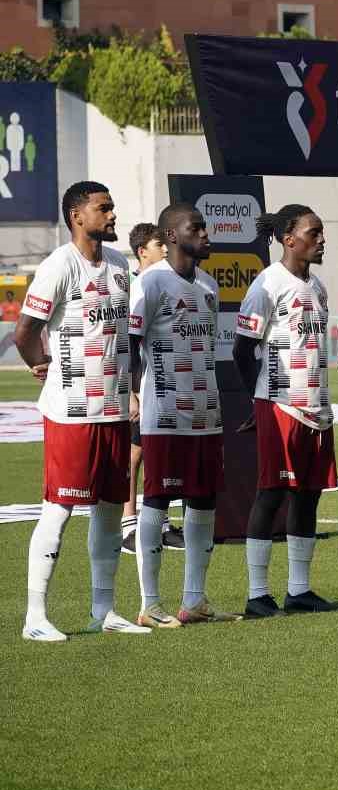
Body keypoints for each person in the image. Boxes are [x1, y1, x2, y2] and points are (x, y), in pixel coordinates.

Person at [16, 181, 146, 641]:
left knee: (111, 509)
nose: (112, 215)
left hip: (112, 407)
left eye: (112, 207)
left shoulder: (118, 265)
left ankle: (104, 610)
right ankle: (35, 617)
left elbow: (124, 339)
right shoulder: (58, 265)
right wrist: (40, 364)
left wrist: (130, 392)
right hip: (71, 410)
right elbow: (25, 330)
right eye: (103, 208)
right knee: (60, 508)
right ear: (77, 216)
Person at [233, 204, 338, 618]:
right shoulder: (267, 285)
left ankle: (299, 591)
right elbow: (242, 349)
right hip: (280, 406)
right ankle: (257, 594)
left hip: (317, 407)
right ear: (288, 239)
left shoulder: (320, 287)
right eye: (314, 233)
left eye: (322, 232)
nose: (321, 240)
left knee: (308, 496)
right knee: (271, 494)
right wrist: (255, 400)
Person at [126, 203, 230, 627]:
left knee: (204, 500)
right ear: (172, 236)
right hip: (164, 412)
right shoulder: (150, 283)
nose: (206, 234)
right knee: (158, 499)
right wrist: (132, 393)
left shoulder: (207, 285)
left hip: (207, 413)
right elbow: (130, 343)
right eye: (197, 227)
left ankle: (195, 600)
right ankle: (150, 603)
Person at [120, 222, 180, 553]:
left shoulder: (164, 284)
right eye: (160, 244)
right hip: (138, 382)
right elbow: (127, 344)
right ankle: (129, 525)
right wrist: (130, 391)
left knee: (162, 450)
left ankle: (162, 523)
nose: (167, 249)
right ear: (143, 251)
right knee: (135, 452)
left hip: (164, 382)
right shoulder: (132, 286)